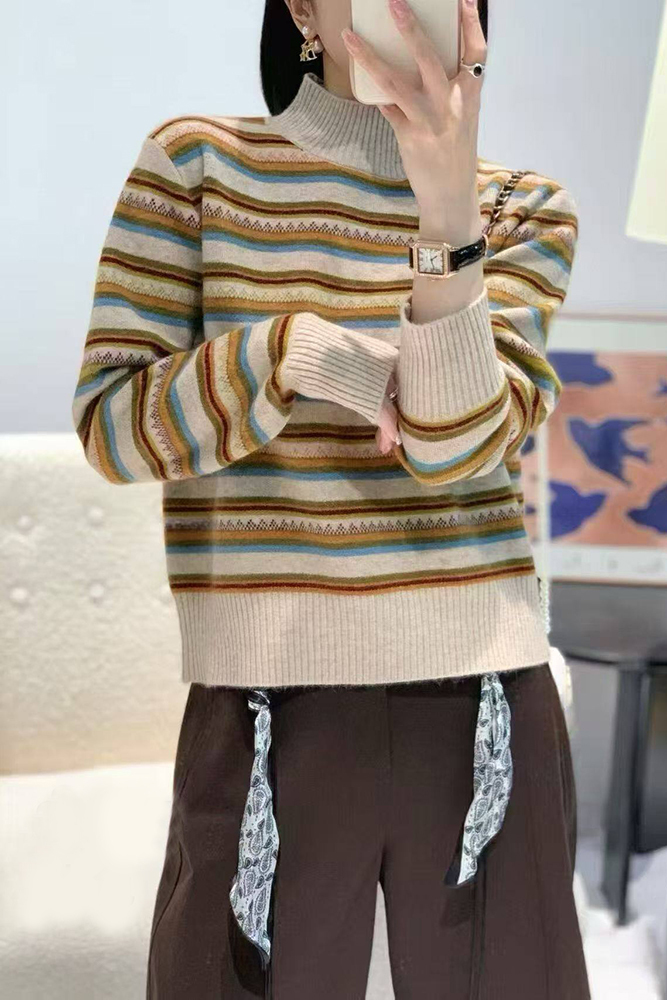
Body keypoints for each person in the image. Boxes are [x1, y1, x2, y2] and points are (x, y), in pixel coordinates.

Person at [71, 0, 591, 996]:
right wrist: (295, 352)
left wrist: (446, 214)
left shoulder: (522, 208)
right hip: (265, 701)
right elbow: (114, 427)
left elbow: (456, 445)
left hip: (485, 699)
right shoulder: (196, 167)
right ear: (303, 8)